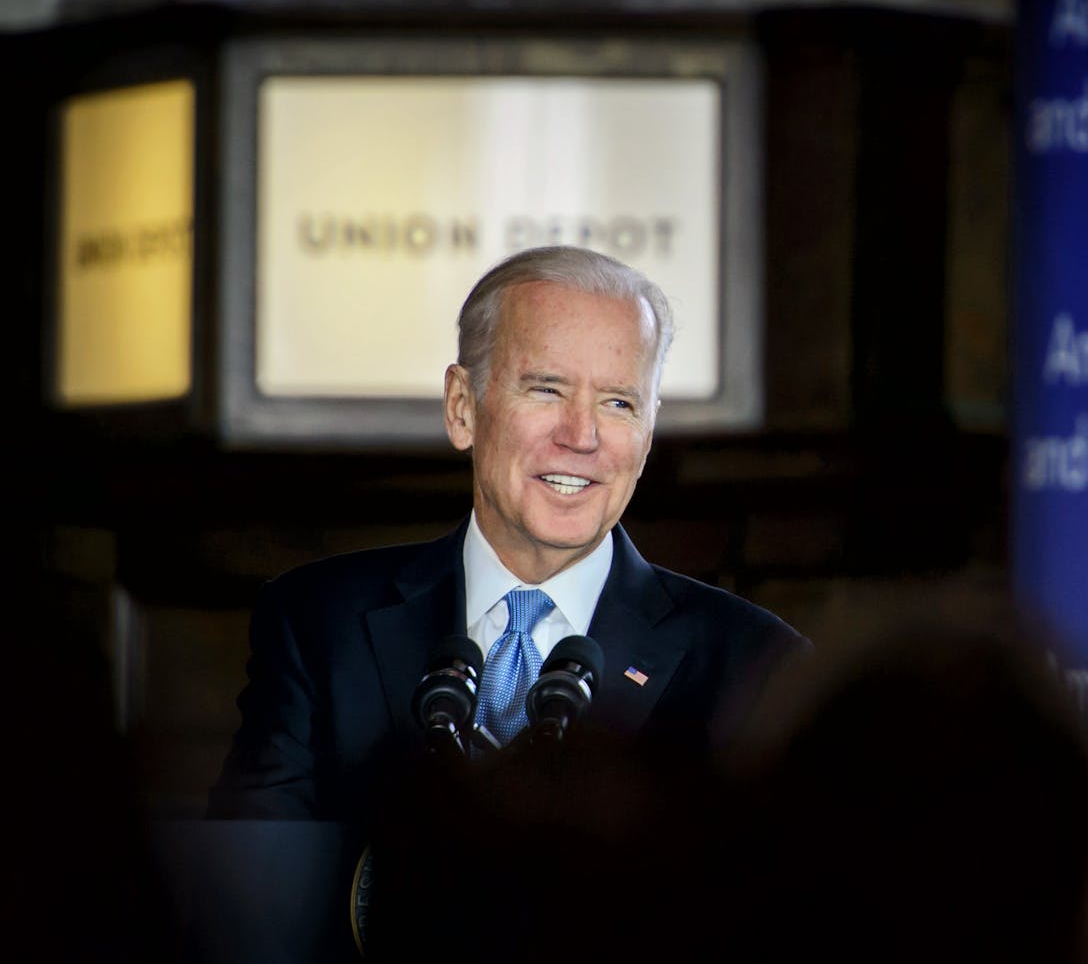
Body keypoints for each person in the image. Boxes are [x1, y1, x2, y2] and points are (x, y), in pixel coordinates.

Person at [207, 245, 808, 824]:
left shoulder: (756, 668)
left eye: (620, 403)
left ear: (649, 434)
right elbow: (253, 890)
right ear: (463, 407)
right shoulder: (317, 625)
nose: (582, 435)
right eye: (546, 389)